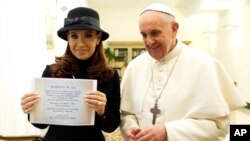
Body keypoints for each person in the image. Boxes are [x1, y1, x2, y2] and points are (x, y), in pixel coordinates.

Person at [120, 3, 246, 141]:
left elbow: (218, 127)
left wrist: (168, 131)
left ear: (174, 29)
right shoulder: (134, 67)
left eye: (155, 33)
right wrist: (130, 128)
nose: (149, 41)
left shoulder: (205, 65)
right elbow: (127, 114)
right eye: (144, 35)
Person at [20, 7, 121, 141]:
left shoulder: (110, 75)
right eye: (74, 36)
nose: (80, 43)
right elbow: (40, 124)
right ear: (68, 38)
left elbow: (112, 126)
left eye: (88, 35)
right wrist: (31, 109)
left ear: (98, 38)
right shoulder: (52, 72)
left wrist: (102, 111)